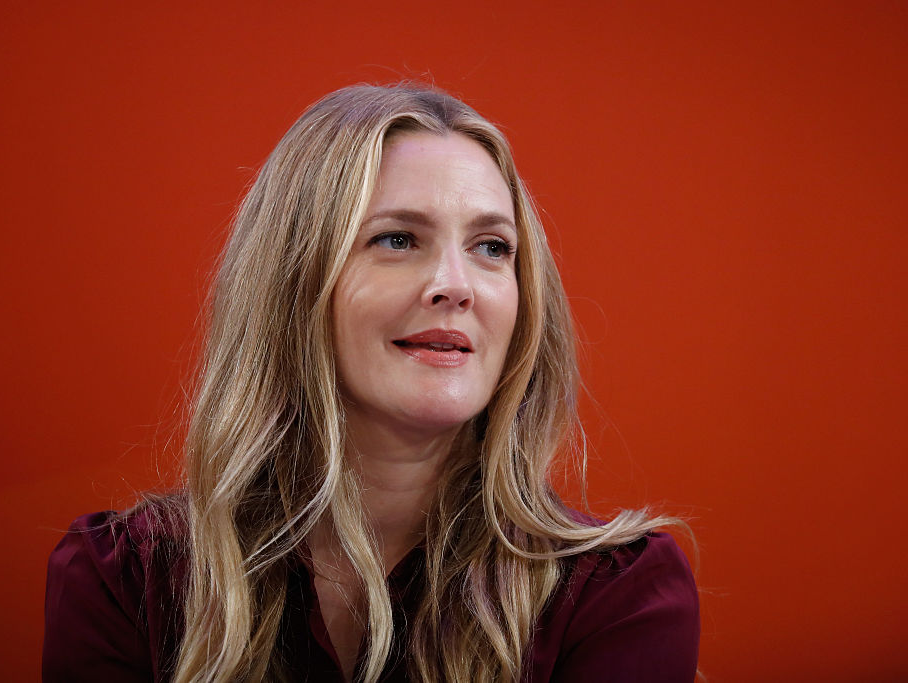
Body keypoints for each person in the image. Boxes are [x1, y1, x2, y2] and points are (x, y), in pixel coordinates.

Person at [43, 83, 699, 682]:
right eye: (397, 239)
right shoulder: (126, 578)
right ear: (293, 285)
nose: (455, 284)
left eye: (492, 247)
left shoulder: (618, 594)